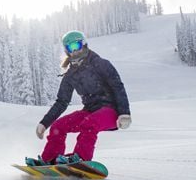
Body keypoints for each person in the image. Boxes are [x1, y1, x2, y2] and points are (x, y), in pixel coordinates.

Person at [26, 30, 131, 166]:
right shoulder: (70, 75)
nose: (75, 51)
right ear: (67, 51)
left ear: (84, 44)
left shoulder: (101, 64)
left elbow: (118, 87)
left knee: (89, 123)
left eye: (77, 45)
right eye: (71, 47)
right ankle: (50, 159)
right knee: (59, 126)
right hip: (90, 111)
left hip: (111, 111)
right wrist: (44, 123)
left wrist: (124, 113)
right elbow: (61, 102)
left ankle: (81, 159)